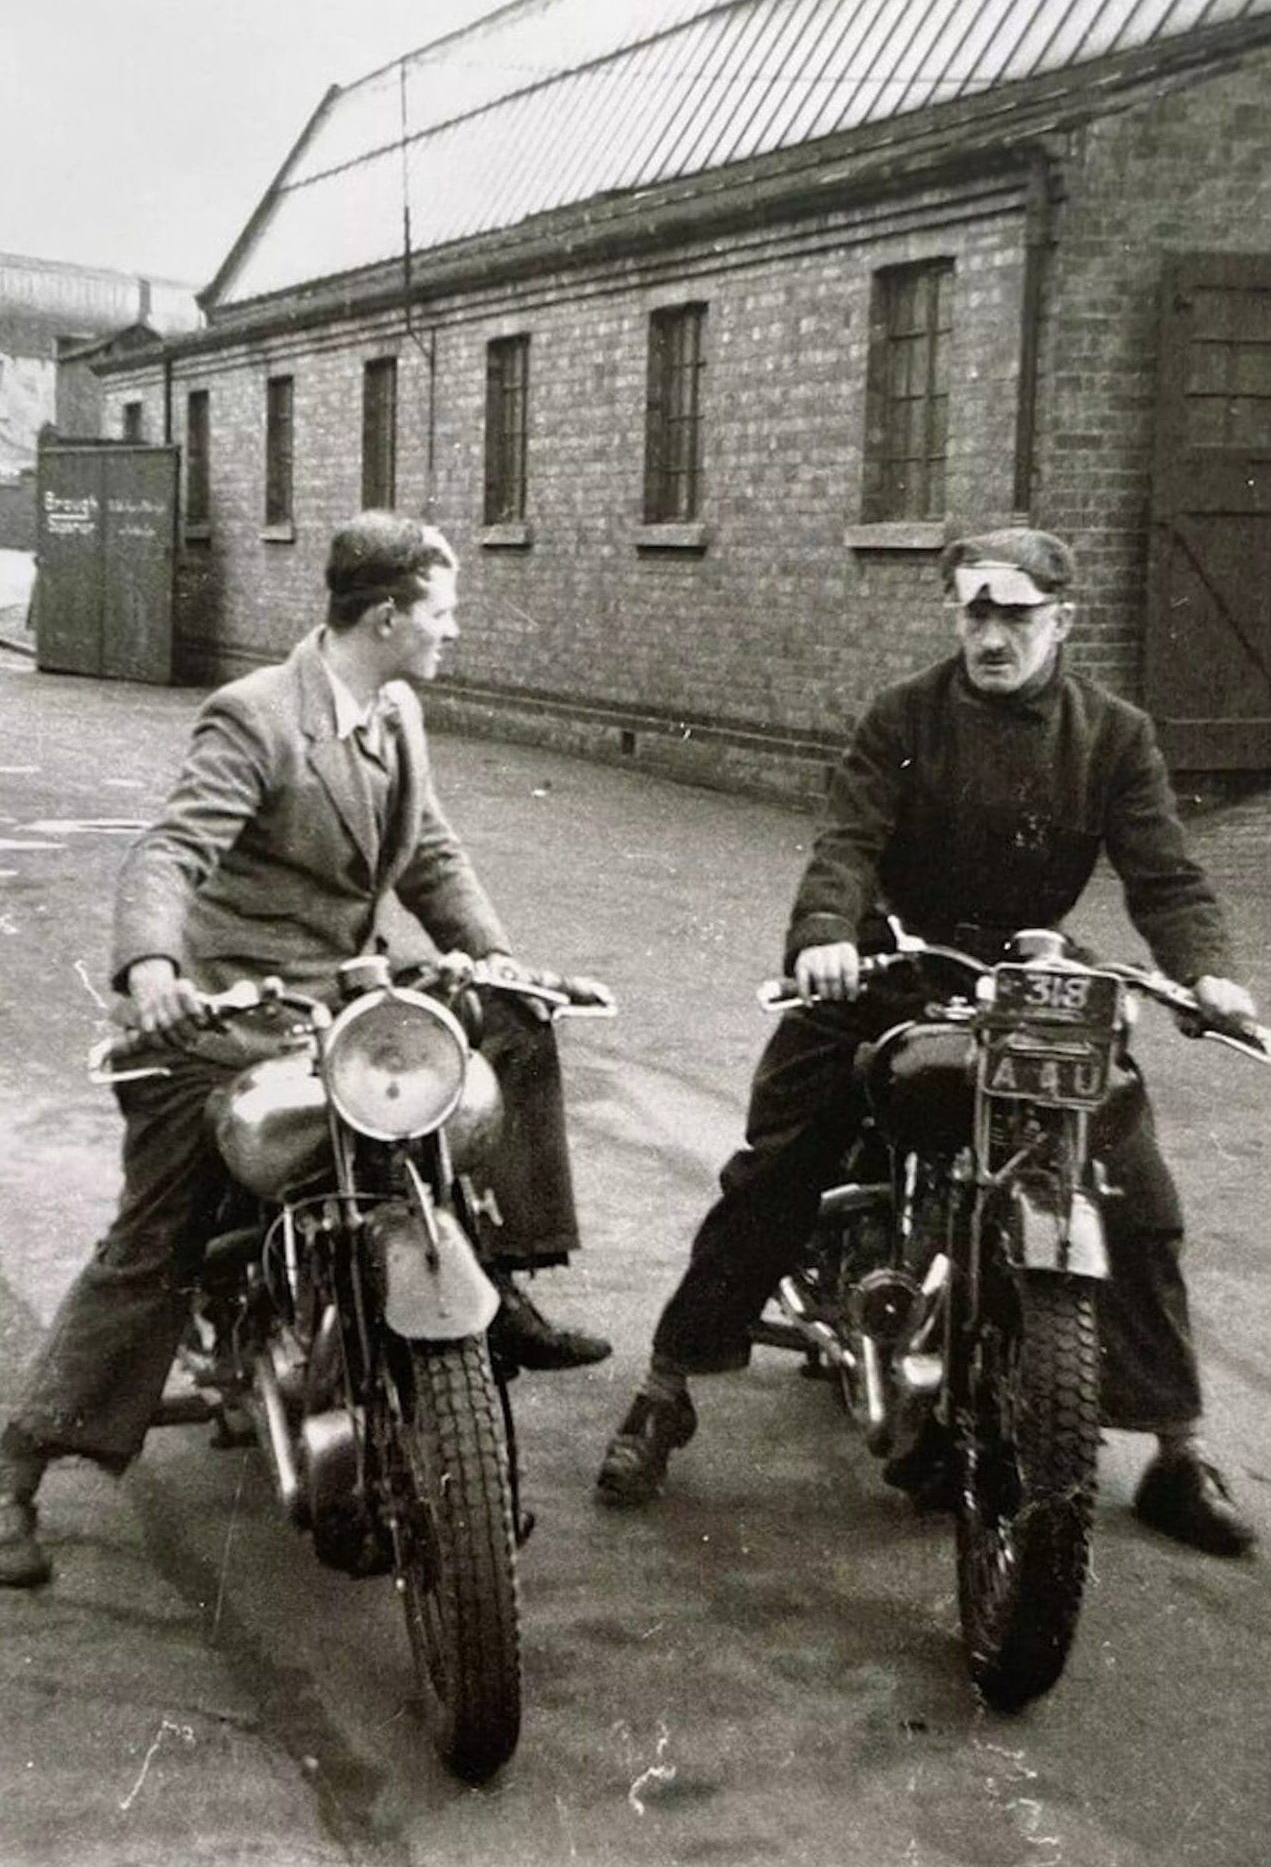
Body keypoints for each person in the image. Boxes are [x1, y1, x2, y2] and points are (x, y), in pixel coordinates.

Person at [596, 527, 1259, 1558]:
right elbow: (846, 843)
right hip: (888, 964)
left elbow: (1164, 875)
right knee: (780, 1160)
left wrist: (1206, 971)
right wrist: (823, 938)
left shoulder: (1112, 734)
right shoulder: (902, 715)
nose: (991, 636)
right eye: (973, 613)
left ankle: (1175, 1451)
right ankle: (665, 1387)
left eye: (1015, 616)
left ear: (1061, 620)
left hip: (1032, 981)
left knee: (1132, 1188)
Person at [0, 510, 609, 1588]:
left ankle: (497, 1281)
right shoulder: (257, 717)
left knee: (508, 1028)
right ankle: (16, 1463)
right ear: (386, 615)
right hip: (225, 1008)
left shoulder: (394, 710)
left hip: (343, 997)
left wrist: (500, 959)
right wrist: (152, 973)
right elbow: (171, 848)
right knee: (160, 1240)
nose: (451, 631)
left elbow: (426, 853)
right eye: (441, 612)